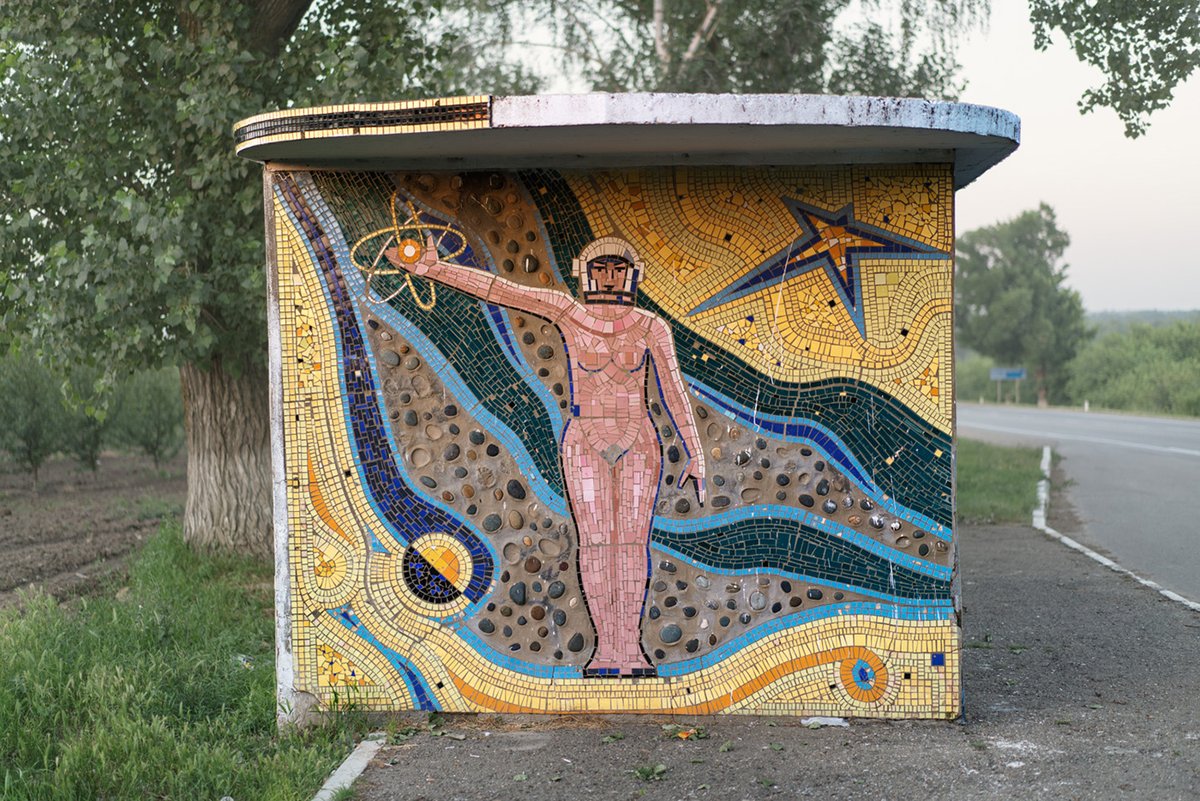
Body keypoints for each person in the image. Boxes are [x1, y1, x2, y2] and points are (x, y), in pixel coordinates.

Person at [385, 234, 705, 676]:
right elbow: (501, 291)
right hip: (585, 439)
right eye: (601, 268)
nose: (609, 277)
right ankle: (607, 650)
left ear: (632, 275)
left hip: (639, 441)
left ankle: (631, 648)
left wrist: (695, 450)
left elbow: (672, 387)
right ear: (585, 273)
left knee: (631, 547)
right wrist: (433, 269)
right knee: (595, 545)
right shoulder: (568, 313)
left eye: (617, 268)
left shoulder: (651, 326)